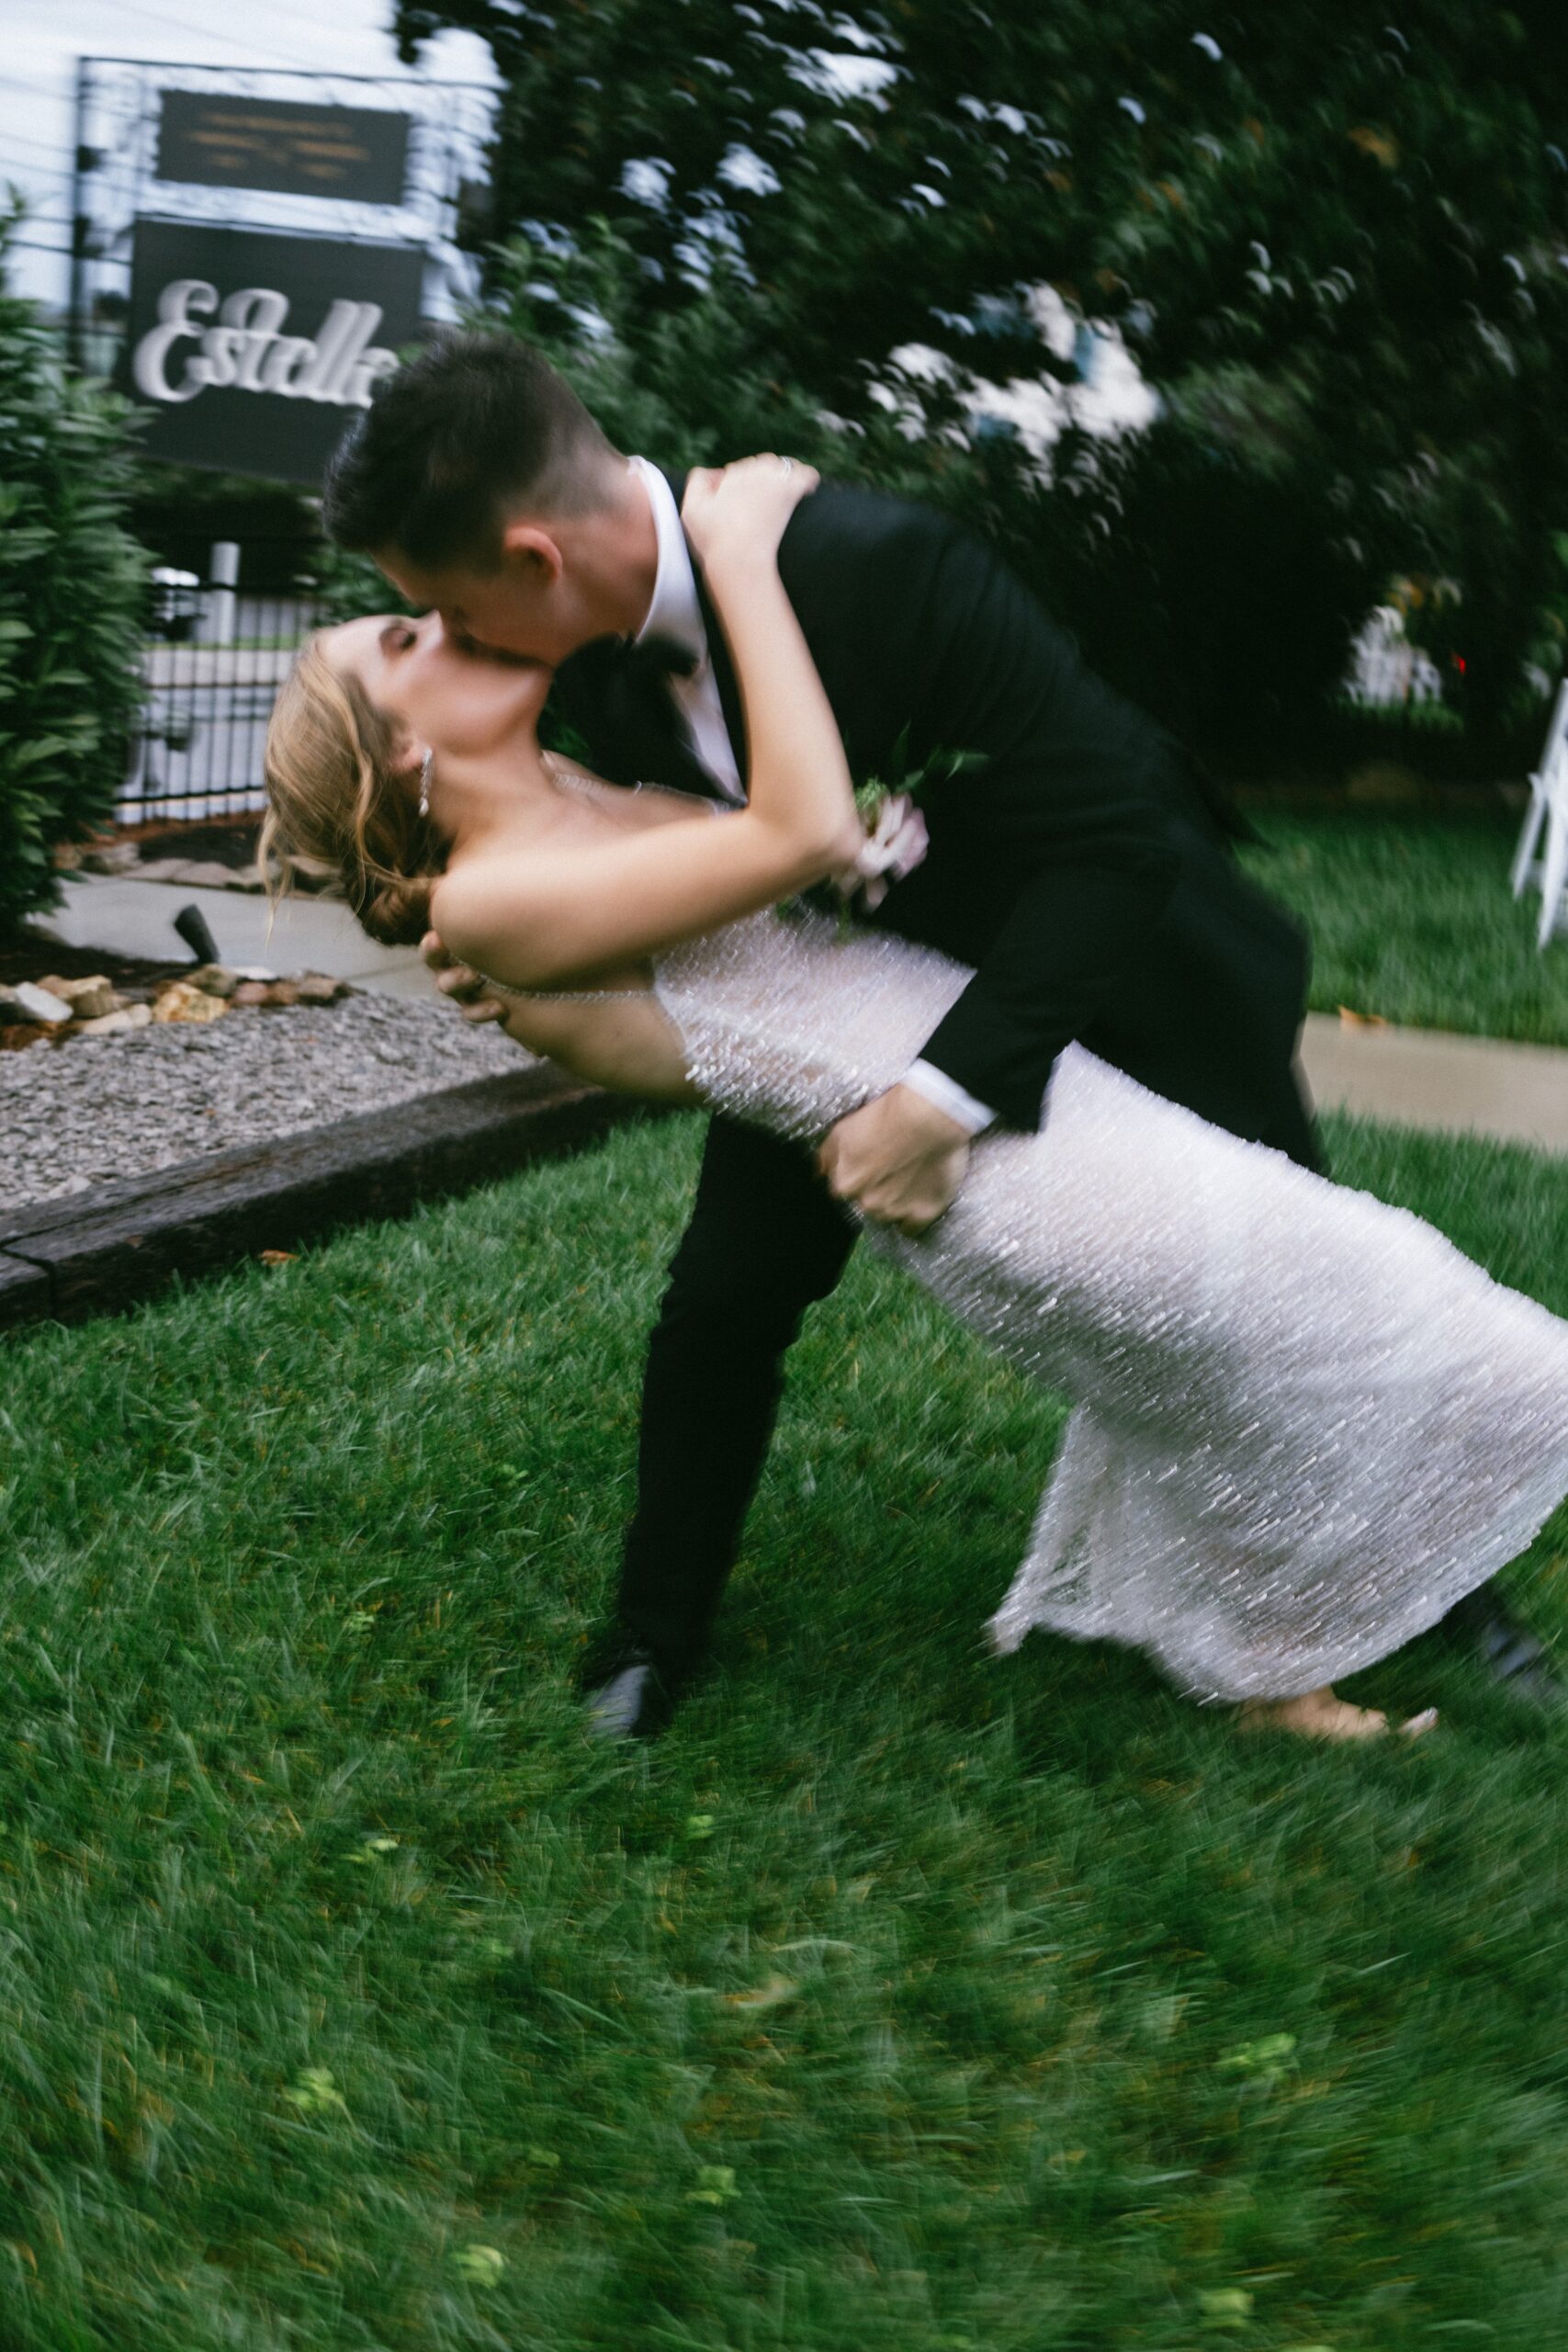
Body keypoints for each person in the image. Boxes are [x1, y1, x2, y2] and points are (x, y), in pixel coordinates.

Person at [315, 332, 1558, 1734]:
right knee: (725, 1297)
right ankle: (652, 1637)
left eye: (446, 611)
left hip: (1119, 955)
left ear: (533, 561)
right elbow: (606, 860)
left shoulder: (870, 563)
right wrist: (519, 964)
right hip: (836, 1008)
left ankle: (1458, 1589)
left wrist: (947, 1094)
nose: (461, 646)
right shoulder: (579, 679)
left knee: (1315, 1285)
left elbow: (1114, 833)